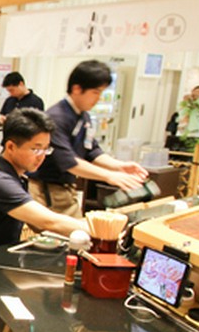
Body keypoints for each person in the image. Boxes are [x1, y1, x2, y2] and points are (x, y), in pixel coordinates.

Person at [0, 109, 88, 294]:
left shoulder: (18, 178)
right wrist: (96, 230)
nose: (42, 156)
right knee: (46, 294)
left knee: (56, 281)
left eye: (46, 149)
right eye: (36, 149)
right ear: (10, 147)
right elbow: (49, 221)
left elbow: (40, 225)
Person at [29, 60, 147, 217]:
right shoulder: (56, 117)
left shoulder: (83, 116)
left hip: (64, 188)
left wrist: (119, 166)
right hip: (47, 189)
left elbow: (92, 150)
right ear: (77, 88)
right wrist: (109, 175)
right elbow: (68, 162)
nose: (98, 98)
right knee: (72, 234)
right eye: (96, 92)